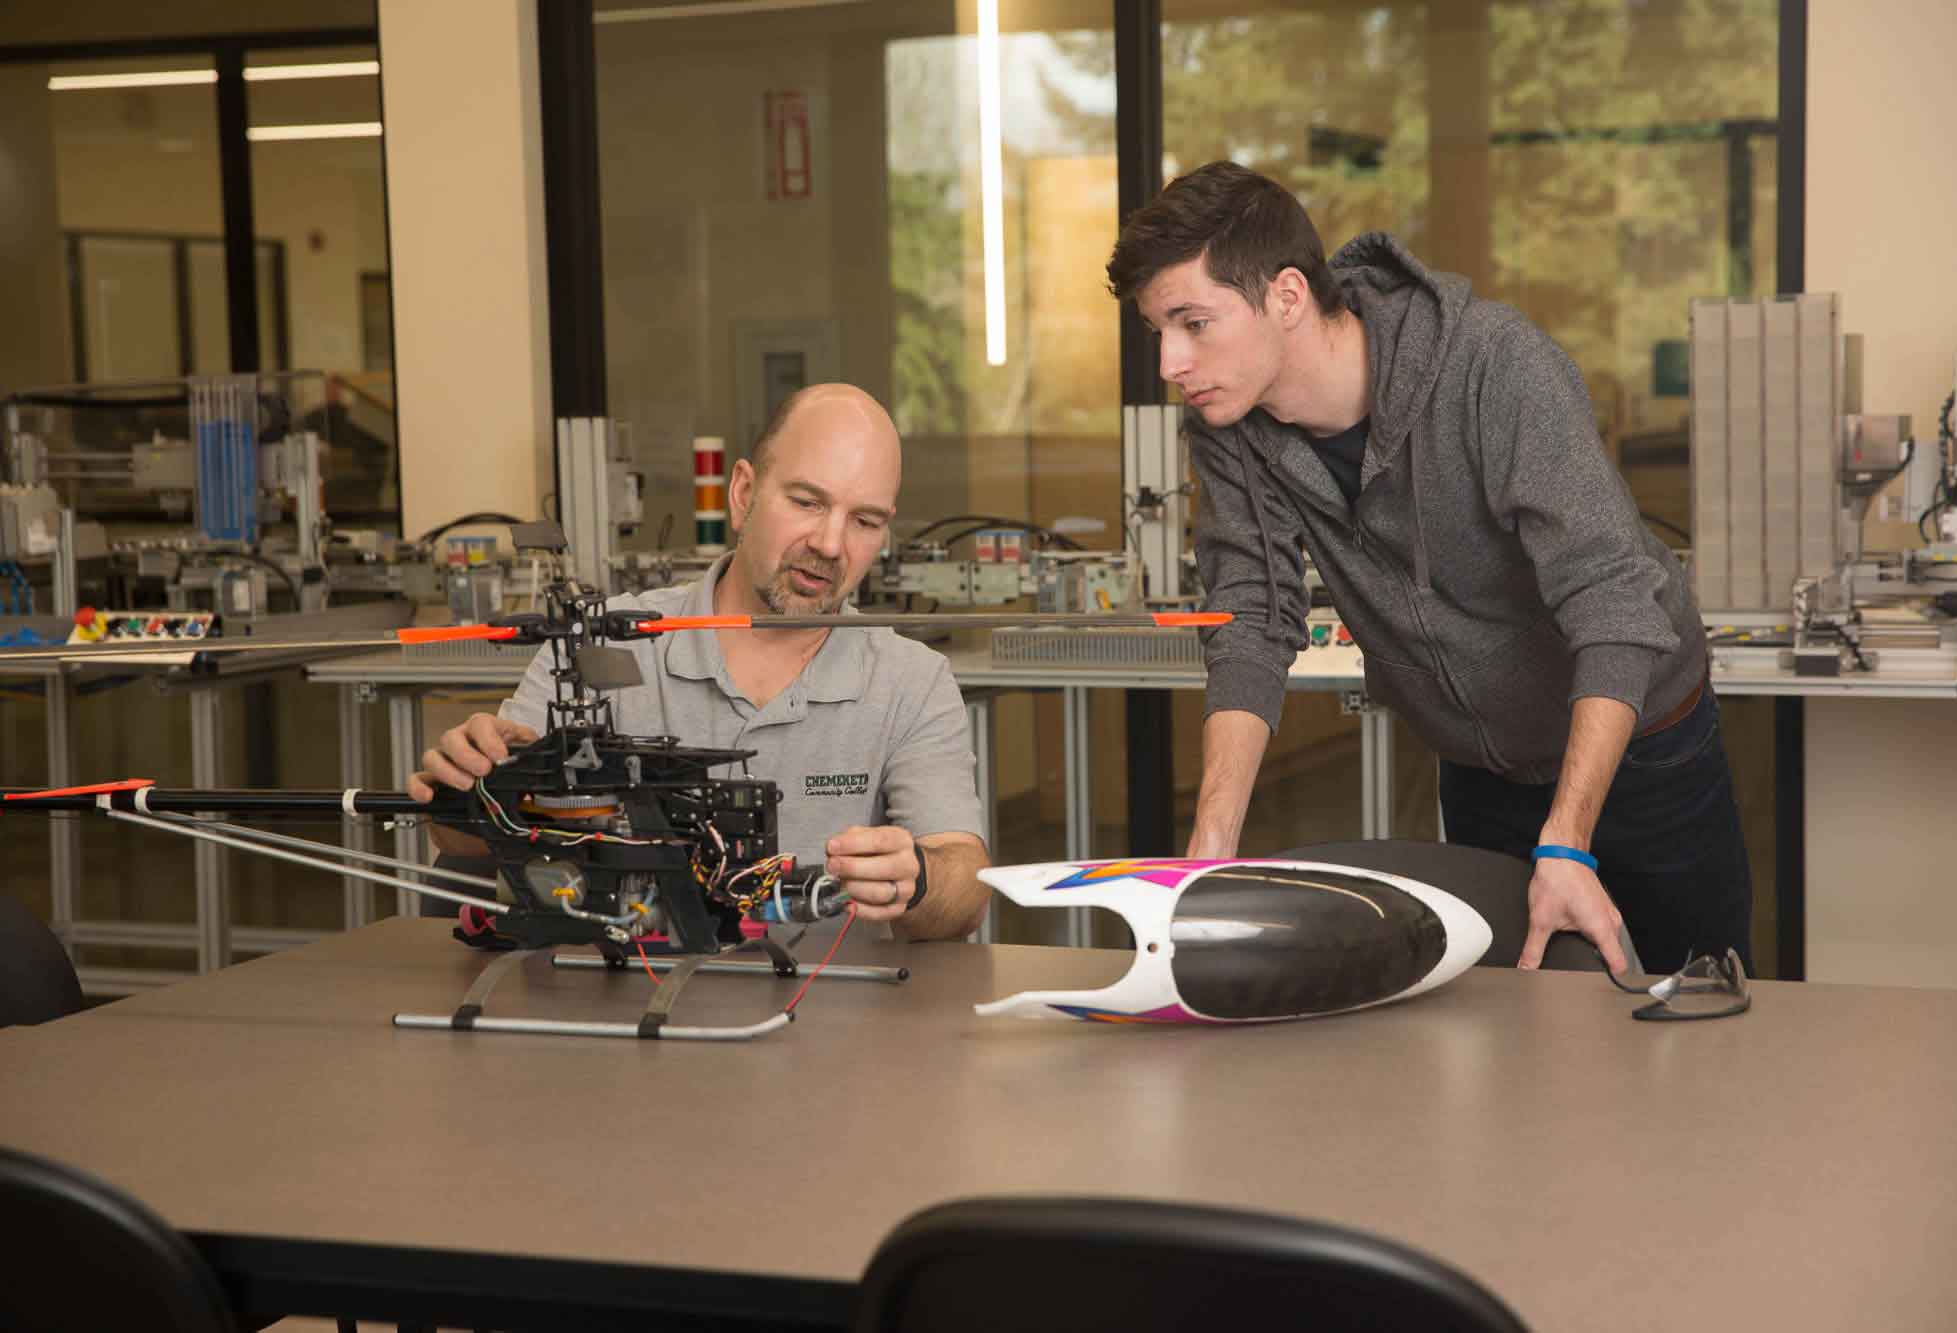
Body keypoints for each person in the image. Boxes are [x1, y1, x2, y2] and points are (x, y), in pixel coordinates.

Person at [1105, 161, 1752, 976]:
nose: (1169, 362)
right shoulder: (1228, 427)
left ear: (1288, 297)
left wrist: (1570, 839)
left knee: (1695, 1010)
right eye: (1158, 330)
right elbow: (1253, 618)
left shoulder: (1493, 365)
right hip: (1481, 766)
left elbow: (1612, 601)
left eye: (1193, 323)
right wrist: (1212, 844)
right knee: (1517, 1034)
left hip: (1640, 745)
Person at [408, 383, 990, 941]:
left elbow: (965, 891)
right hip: (612, 1007)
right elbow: (461, 840)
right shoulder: (599, 647)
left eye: (864, 521)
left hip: (824, 1017)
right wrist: (468, 783)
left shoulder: (911, 679)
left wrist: (919, 879)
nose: (832, 545)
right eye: (806, 502)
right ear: (742, 494)